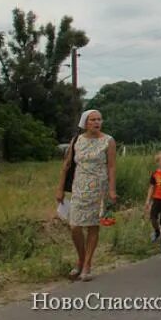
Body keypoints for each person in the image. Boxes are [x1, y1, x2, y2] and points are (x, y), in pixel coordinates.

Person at [55, 109, 117, 282]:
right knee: (75, 226)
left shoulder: (108, 141)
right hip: (79, 188)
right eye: (92, 120)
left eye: (99, 119)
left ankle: (87, 264)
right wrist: (60, 189)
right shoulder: (77, 140)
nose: (97, 122)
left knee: (92, 226)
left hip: (99, 188)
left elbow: (111, 166)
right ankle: (81, 258)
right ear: (85, 122)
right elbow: (66, 165)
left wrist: (112, 190)